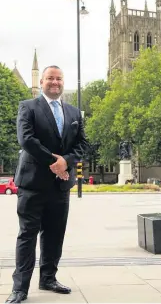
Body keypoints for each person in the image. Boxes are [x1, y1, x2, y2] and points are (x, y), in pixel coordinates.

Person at [6, 65, 88, 303]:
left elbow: (82, 144)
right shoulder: (28, 106)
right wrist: (56, 162)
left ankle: (48, 278)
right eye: (50, 78)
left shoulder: (74, 112)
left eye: (59, 78)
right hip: (32, 183)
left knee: (54, 235)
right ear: (41, 81)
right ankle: (20, 288)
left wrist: (67, 161)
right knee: (27, 235)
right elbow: (27, 140)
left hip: (60, 187)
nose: (55, 82)